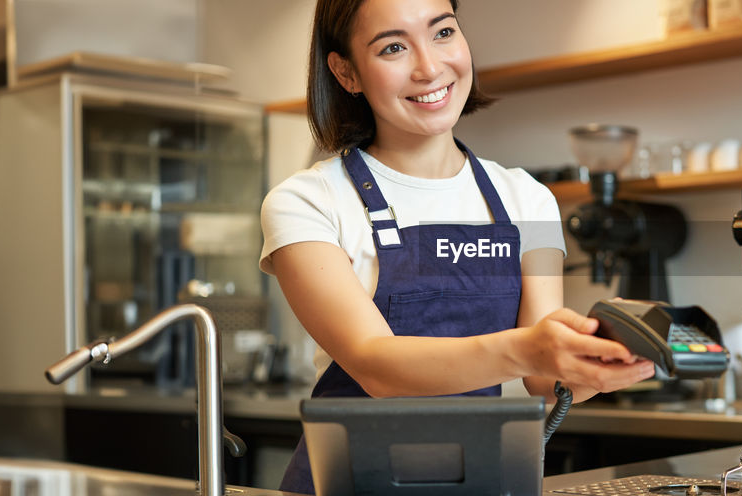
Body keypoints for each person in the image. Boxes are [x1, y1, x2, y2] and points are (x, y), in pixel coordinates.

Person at [258, 0, 656, 492]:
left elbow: (540, 381)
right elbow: (377, 366)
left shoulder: (524, 198)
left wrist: (595, 365)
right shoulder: (308, 201)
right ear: (346, 72)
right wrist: (530, 350)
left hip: (487, 481)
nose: (429, 67)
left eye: (443, 32)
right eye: (394, 47)